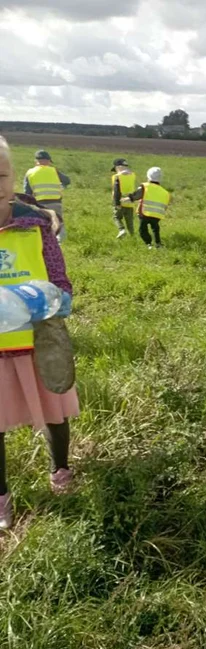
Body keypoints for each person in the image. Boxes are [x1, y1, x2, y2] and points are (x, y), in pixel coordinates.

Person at [0, 137, 78, 530]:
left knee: (55, 412)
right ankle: (1, 497)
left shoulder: (36, 227)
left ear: (14, 177)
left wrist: (57, 301)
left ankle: (60, 470)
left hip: (38, 344)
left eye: (0, 174)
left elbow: (60, 279)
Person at [23, 149, 70, 243]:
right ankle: (59, 243)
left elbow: (27, 192)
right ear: (48, 161)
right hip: (55, 201)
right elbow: (67, 181)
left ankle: (43, 241)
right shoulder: (54, 170)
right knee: (58, 222)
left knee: (42, 223)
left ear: (36, 161)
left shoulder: (30, 172)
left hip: (39, 203)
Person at [124, 167, 171, 249]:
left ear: (148, 176)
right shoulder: (165, 192)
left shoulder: (145, 187)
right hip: (157, 215)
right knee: (155, 229)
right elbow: (165, 205)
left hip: (144, 213)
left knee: (142, 230)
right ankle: (158, 244)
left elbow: (136, 196)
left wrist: (125, 200)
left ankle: (149, 244)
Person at [111, 158, 137, 239]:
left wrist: (117, 203)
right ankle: (133, 237)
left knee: (116, 217)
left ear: (118, 167)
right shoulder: (133, 175)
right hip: (130, 202)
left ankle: (121, 230)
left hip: (120, 201)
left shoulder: (116, 177)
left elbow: (116, 191)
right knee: (130, 222)